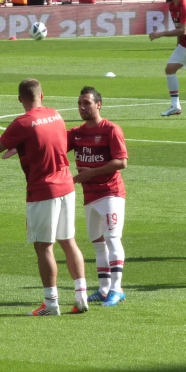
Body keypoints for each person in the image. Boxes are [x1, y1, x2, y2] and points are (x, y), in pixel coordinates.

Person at [0, 79, 89, 316]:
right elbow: (47, 141)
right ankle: (81, 296)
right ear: (42, 96)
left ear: (19, 99)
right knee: (69, 241)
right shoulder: (55, 115)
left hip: (43, 190)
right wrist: (10, 142)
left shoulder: (22, 123)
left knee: (44, 247)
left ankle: (51, 303)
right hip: (66, 185)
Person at [67, 86, 128, 306]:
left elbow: (122, 161)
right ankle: (103, 289)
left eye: (87, 103)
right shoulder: (76, 133)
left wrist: (91, 172)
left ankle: (117, 288)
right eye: (80, 104)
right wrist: (12, 143)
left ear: (98, 105)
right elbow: (50, 144)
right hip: (90, 195)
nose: (82, 107)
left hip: (110, 193)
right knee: (97, 243)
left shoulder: (111, 129)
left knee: (112, 239)